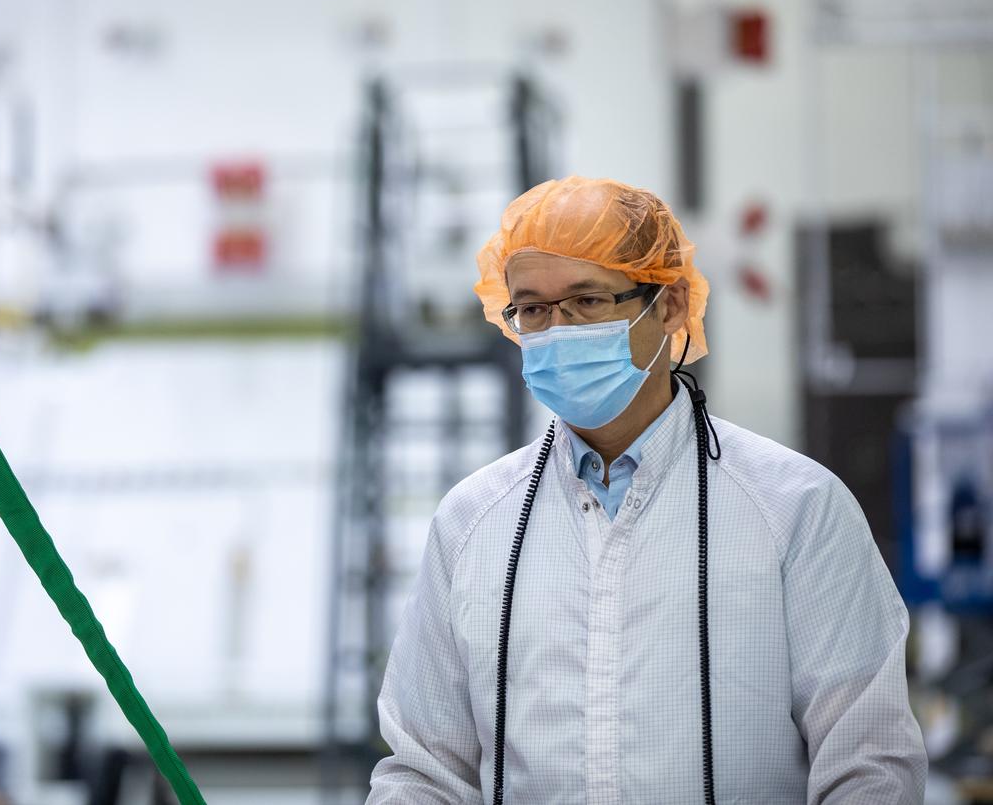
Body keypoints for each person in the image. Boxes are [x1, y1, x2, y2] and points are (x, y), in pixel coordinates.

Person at [366, 176, 926, 804]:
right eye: (533, 308)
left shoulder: (796, 507)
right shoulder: (473, 522)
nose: (558, 330)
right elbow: (424, 769)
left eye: (587, 299)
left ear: (670, 306)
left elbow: (868, 765)